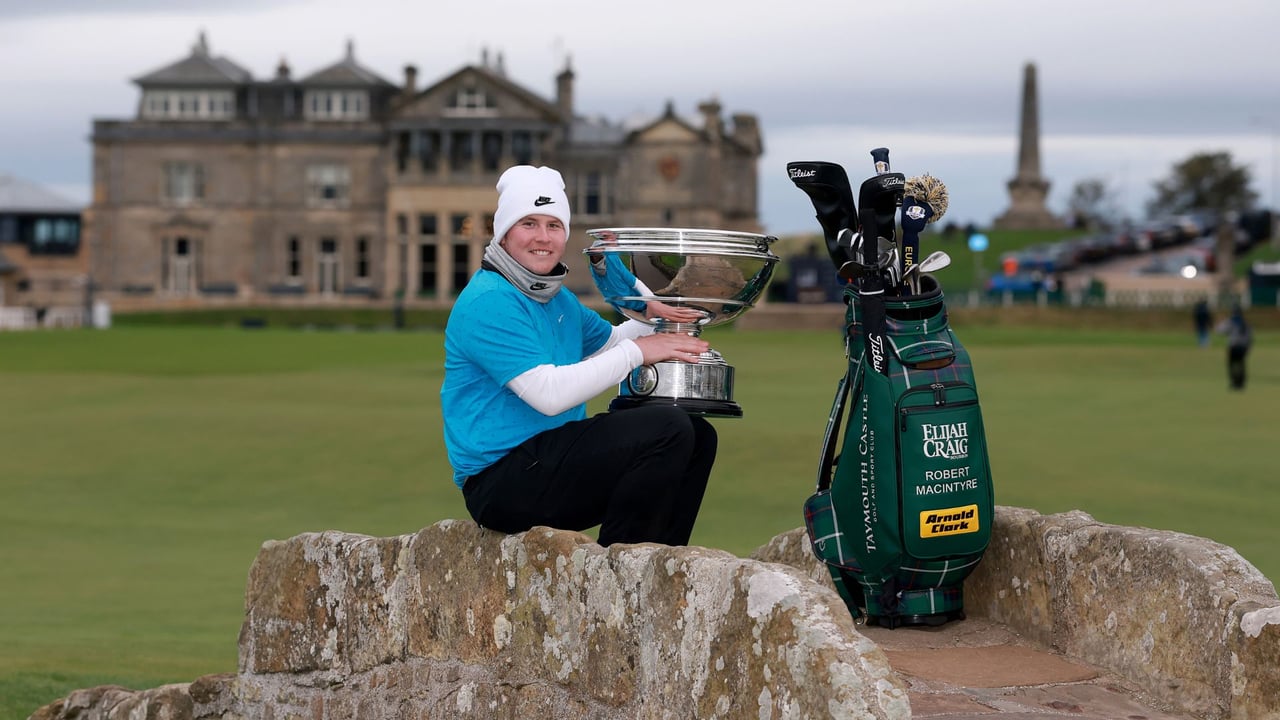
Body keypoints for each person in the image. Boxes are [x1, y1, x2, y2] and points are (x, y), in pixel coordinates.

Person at [441, 165, 718, 547]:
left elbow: (612, 342)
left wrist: (659, 313)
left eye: (554, 226)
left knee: (698, 436)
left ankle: (658, 565)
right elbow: (548, 394)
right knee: (666, 429)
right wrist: (640, 351)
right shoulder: (489, 300)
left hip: (550, 459)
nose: (543, 237)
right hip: (501, 481)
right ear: (503, 234)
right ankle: (620, 576)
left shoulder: (556, 298)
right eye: (529, 224)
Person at [1216, 304, 1252, 390]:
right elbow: (1250, 337)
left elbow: (1220, 331)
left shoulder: (1231, 321)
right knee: (1241, 364)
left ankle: (1234, 382)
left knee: (1232, 365)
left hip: (1234, 346)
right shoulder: (1245, 322)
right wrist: (1249, 347)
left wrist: (1219, 322)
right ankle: (1241, 383)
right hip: (1243, 347)